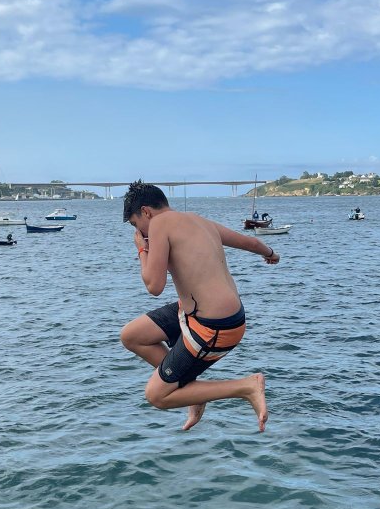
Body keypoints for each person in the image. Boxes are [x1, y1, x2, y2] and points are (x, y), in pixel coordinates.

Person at [120, 180, 280, 432]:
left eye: (135, 224)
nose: (139, 232)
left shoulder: (159, 224)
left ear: (146, 212)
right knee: (132, 335)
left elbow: (154, 286)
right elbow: (250, 243)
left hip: (215, 327)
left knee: (157, 395)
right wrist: (270, 253)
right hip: (211, 314)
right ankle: (193, 392)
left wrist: (142, 250)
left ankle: (246, 386)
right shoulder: (197, 220)